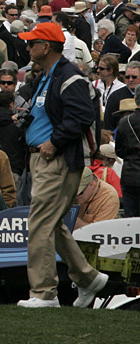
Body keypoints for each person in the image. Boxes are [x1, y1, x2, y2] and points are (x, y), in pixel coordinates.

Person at [15, 22, 108, 308]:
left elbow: (80, 117)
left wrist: (54, 142)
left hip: (56, 159)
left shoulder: (70, 76)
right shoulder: (49, 75)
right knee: (52, 224)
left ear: (47, 47)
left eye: (32, 43)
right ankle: (88, 278)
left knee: (41, 223)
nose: (28, 48)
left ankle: (44, 294)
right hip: (44, 159)